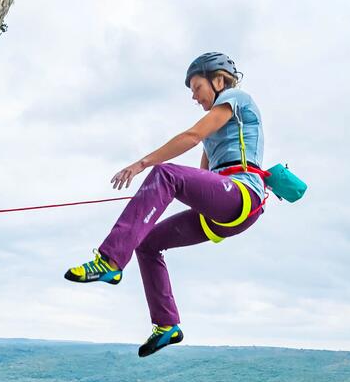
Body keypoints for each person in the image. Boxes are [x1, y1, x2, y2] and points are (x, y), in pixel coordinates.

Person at [65, 52, 266, 357]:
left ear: (219, 80)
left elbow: (192, 135)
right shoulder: (216, 136)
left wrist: (142, 165)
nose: (194, 96)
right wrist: (153, 200)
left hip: (242, 195)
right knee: (147, 243)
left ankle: (109, 261)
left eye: (197, 87)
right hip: (221, 211)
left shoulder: (237, 98)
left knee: (165, 173)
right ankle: (166, 325)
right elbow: (201, 178)